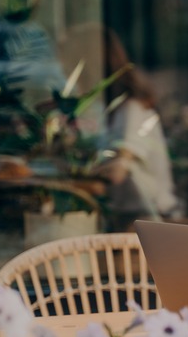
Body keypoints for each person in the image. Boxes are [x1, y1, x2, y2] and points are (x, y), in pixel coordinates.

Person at [60, 23, 179, 231]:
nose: (67, 75)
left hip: (153, 223)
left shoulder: (132, 109)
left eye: (70, 66)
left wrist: (71, 179)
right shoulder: (112, 109)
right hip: (130, 220)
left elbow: (117, 172)